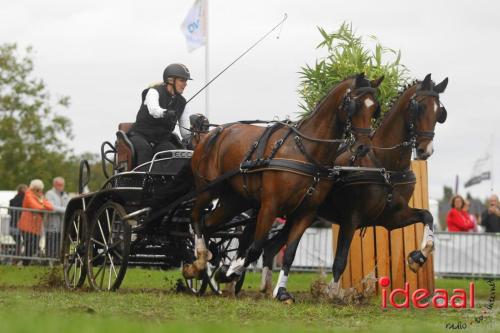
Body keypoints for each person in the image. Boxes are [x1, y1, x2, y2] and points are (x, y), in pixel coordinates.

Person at [128, 63, 195, 165]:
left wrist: (195, 132)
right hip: (140, 136)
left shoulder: (182, 103)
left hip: (162, 140)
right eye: (182, 80)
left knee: (173, 154)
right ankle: (143, 180)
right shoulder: (154, 92)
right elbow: (154, 110)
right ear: (170, 80)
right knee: (145, 150)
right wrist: (166, 113)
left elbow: (185, 133)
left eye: (185, 81)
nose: (185, 84)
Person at [18, 179, 54, 264]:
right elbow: (35, 206)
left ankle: (23, 263)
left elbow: (50, 207)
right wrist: (42, 204)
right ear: (33, 188)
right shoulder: (28, 194)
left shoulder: (40, 195)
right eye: (37, 189)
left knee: (34, 246)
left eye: (40, 190)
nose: (39, 191)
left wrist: (42, 202)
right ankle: (24, 263)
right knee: (29, 245)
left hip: (36, 226)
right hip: (26, 225)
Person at [45, 177, 70, 258]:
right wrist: (66, 210)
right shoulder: (49, 194)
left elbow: (68, 206)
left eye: (62, 185)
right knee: (51, 245)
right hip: (52, 225)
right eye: (59, 184)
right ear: (54, 184)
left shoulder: (65, 195)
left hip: (62, 226)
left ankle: (57, 261)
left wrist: (65, 209)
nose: (60, 186)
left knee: (59, 246)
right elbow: (52, 207)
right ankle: (49, 261)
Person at [8, 184, 27, 260]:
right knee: (22, 242)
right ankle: (17, 258)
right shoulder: (22, 198)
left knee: (20, 243)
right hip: (18, 224)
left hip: (14, 224)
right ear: (22, 189)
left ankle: (17, 258)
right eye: (26, 188)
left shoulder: (14, 199)